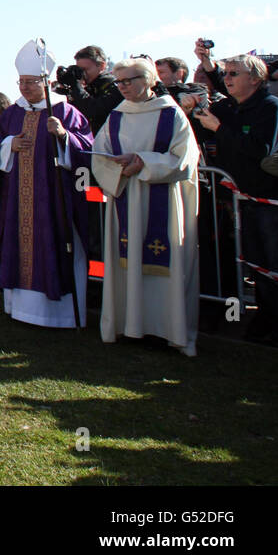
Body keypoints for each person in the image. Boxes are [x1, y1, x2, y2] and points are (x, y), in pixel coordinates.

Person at [0, 39, 94, 328]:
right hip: (18, 201)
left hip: (54, 200)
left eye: (31, 82)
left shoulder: (65, 113)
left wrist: (64, 137)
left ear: (46, 81)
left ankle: (59, 315)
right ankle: (20, 309)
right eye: (21, 82)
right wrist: (9, 144)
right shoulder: (14, 113)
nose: (24, 88)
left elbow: (88, 149)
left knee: (53, 246)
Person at [91, 58, 200, 356]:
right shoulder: (116, 116)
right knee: (126, 262)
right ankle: (129, 326)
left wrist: (144, 162)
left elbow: (186, 158)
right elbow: (99, 156)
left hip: (161, 198)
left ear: (149, 79)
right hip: (126, 195)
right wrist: (118, 170)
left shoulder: (171, 114)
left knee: (166, 265)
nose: (123, 86)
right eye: (119, 82)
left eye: (129, 80)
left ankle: (169, 330)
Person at [193, 54, 278, 346]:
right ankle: (262, 321)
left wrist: (219, 129)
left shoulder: (271, 107)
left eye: (234, 73)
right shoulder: (227, 107)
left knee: (275, 263)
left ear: (256, 79)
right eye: (226, 73)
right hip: (234, 198)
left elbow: (261, 149)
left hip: (267, 198)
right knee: (254, 263)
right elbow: (202, 121)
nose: (227, 78)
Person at [61, 44, 123, 134]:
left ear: (102, 66)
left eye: (86, 70)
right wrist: (66, 90)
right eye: (80, 70)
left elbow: (94, 111)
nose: (83, 74)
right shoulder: (88, 88)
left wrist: (76, 87)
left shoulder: (115, 87)